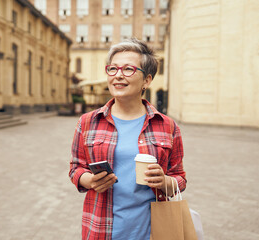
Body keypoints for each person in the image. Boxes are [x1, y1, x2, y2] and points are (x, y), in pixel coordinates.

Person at [69, 38, 186, 240]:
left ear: (147, 80)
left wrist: (163, 181)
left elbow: (179, 178)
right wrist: (91, 181)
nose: (118, 76)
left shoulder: (167, 126)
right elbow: (76, 169)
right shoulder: (88, 122)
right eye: (112, 69)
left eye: (128, 69)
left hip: (152, 232)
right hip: (100, 229)